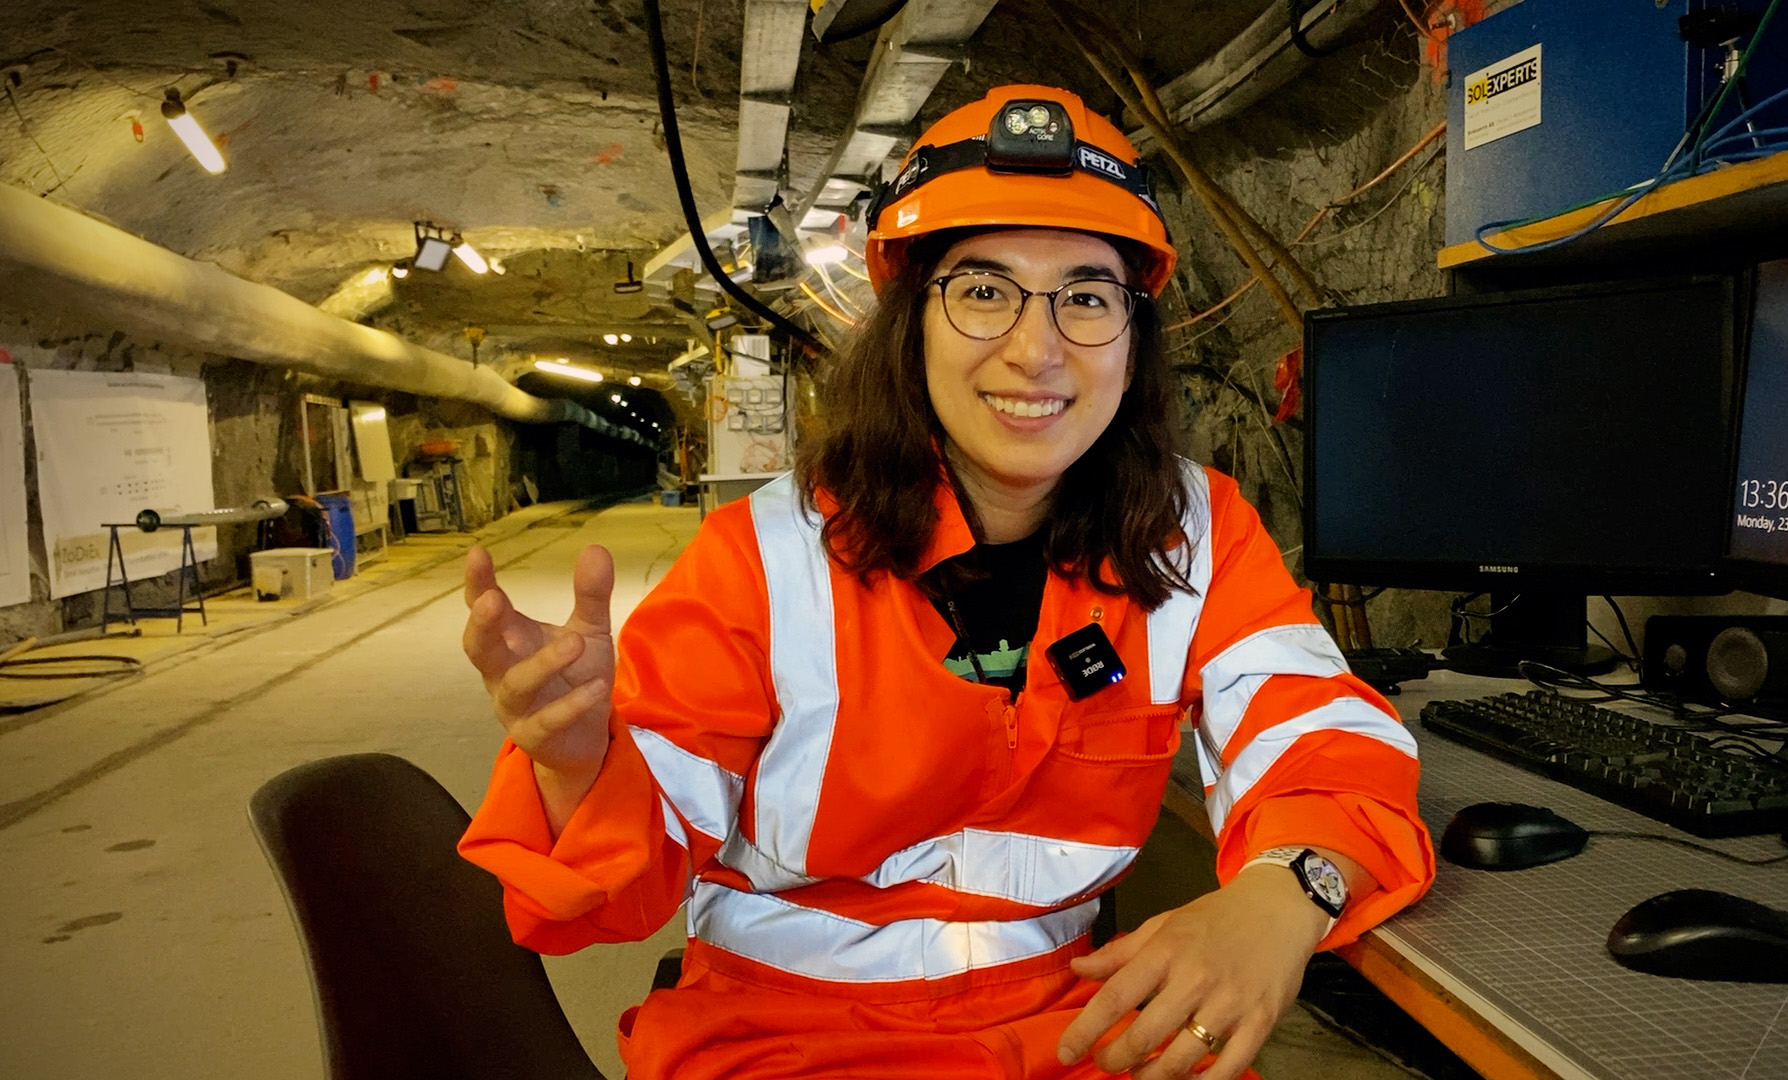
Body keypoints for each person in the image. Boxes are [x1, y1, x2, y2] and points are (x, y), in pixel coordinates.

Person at [458, 84, 1432, 1080]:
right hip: (785, 1039)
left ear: (1135, 341)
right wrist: (579, 765)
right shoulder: (768, 557)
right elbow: (612, 888)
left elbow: (1324, 732)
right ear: (908, 321)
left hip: (1072, 1025)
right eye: (983, 289)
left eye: (1087, 296)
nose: (1036, 347)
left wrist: (1284, 891)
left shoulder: (1193, 531)